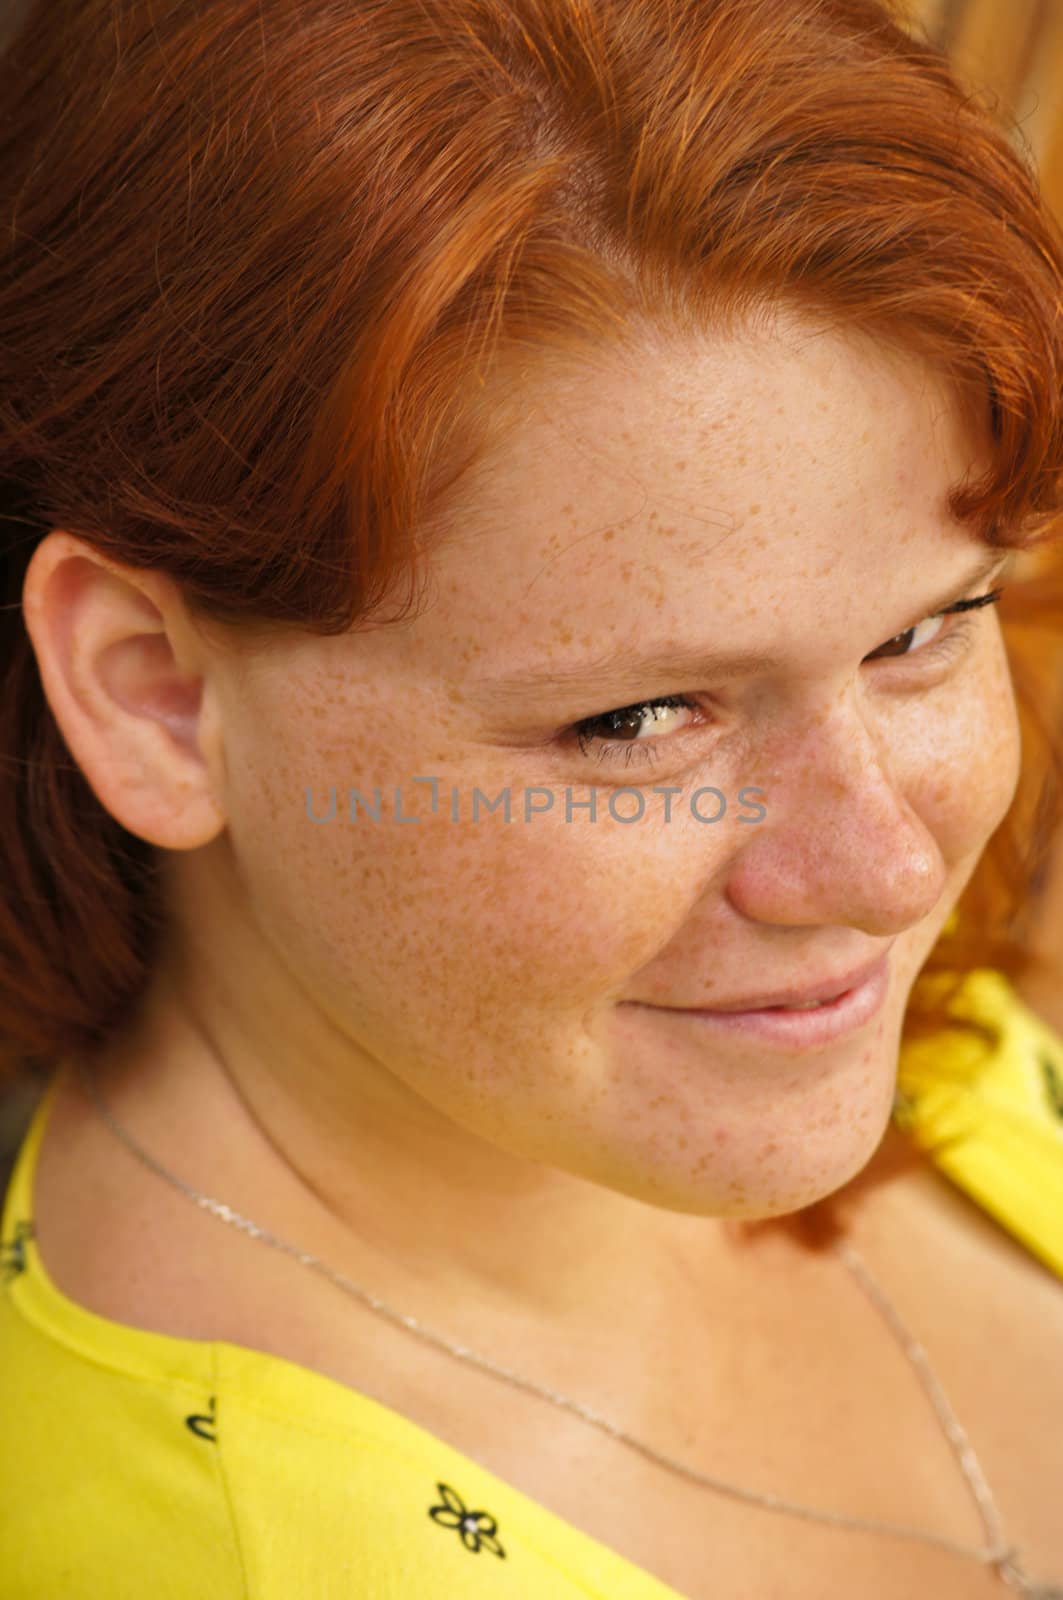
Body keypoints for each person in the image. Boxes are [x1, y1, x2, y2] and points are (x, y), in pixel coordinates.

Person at [1, 0, 1063, 1595]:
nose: (890, 867)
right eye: (639, 719)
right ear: (156, 695)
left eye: (923, 630)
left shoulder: (858, 1040)